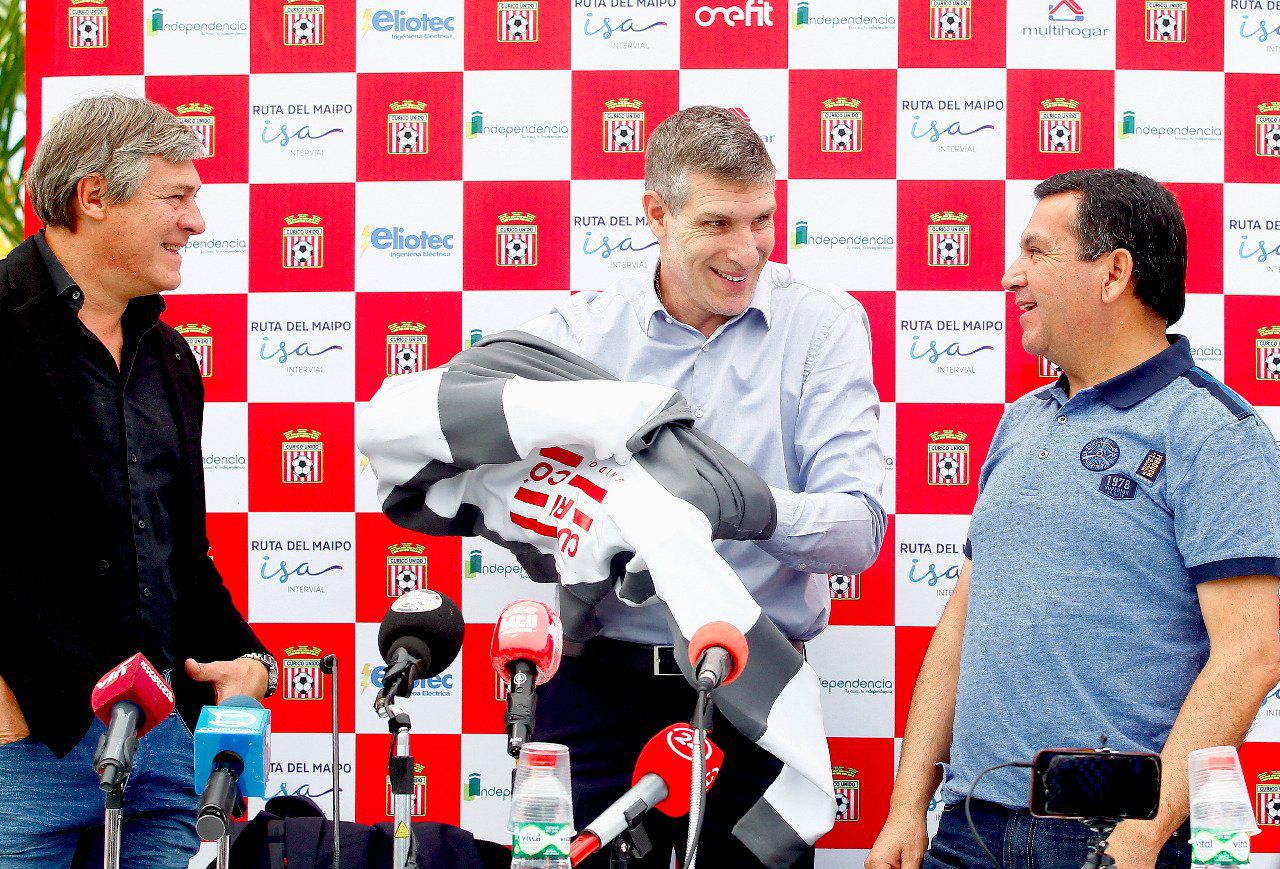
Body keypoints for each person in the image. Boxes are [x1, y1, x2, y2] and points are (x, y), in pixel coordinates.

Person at [867, 168, 1280, 869]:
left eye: (1036, 252)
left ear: (1114, 272)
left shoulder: (1214, 433)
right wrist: (909, 803)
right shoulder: (1018, 422)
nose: (1009, 276)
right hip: (967, 826)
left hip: (1105, 836)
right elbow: (962, 620)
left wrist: (1147, 831)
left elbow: (1252, 651)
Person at [520, 105, 886, 867]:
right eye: (718, 223)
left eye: (763, 220)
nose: (746, 250)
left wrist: (741, 505)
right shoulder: (577, 333)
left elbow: (858, 530)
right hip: (596, 691)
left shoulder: (823, 326)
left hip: (757, 694)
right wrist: (610, 521)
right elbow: (521, 512)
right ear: (656, 212)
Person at [0, 95, 277, 867]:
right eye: (177, 196)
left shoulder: (171, 360)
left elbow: (181, 559)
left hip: (162, 755)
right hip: (20, 756)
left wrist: (252, 660)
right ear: (94, 196)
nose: (197, 221)